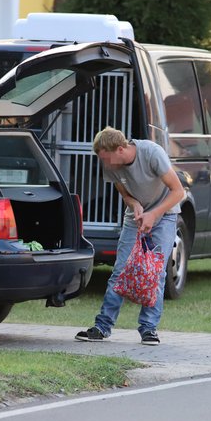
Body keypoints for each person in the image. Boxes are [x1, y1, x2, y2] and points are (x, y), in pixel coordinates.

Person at [75, 127, 185, 345]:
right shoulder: (111, 163)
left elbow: (178, 191)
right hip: (136, 217)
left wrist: (154, 214)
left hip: (165, 216)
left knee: (156, 272)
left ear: (120, 149)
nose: (104, 164)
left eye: (106, 158)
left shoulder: (152, 154)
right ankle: (102, 326)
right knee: (121, 269)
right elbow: (124, 192)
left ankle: (148, 329)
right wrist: (134, 203)